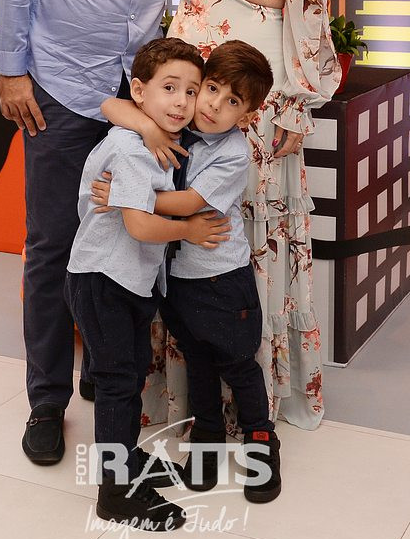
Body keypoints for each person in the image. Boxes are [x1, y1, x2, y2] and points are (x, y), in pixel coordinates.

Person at [0, 0, 194, 465]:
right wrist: (11, 70)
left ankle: (105, 372)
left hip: (136, 97)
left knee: (128, 238)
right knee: (52, 246)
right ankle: (46, 401)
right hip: (58, 86)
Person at [144, 0, 340, 432]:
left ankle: (250, 396)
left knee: (247, 228)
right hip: (187, 85)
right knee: (189, 223)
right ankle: (190, 394)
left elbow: (310, 4)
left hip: (257, 87)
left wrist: (297, 102)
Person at [97, 39, 281, 504]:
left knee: (238, 364)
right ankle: (207, 436)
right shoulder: (172, 124)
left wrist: (126, 195)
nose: (215, 105)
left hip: (221, 279)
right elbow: (111, 105)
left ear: (248, 114)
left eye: (233, 101)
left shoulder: (232, 151)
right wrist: (147, 127)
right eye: (212, 89)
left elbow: (189, 203)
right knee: (196, 361)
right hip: (177, 278)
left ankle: (261, 440)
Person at [65, 38, 231, 532]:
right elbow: (138, 225)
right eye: (169, 88)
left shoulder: (151, 137)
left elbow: (113, 106)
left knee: (131, 371)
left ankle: (127, 459)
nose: (181, 102)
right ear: (140, 91)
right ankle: (115, 494)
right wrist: (189, 230)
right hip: (104, 278)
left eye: (191, 91)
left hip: (128, 279)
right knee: (118, 383)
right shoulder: (131, 148)